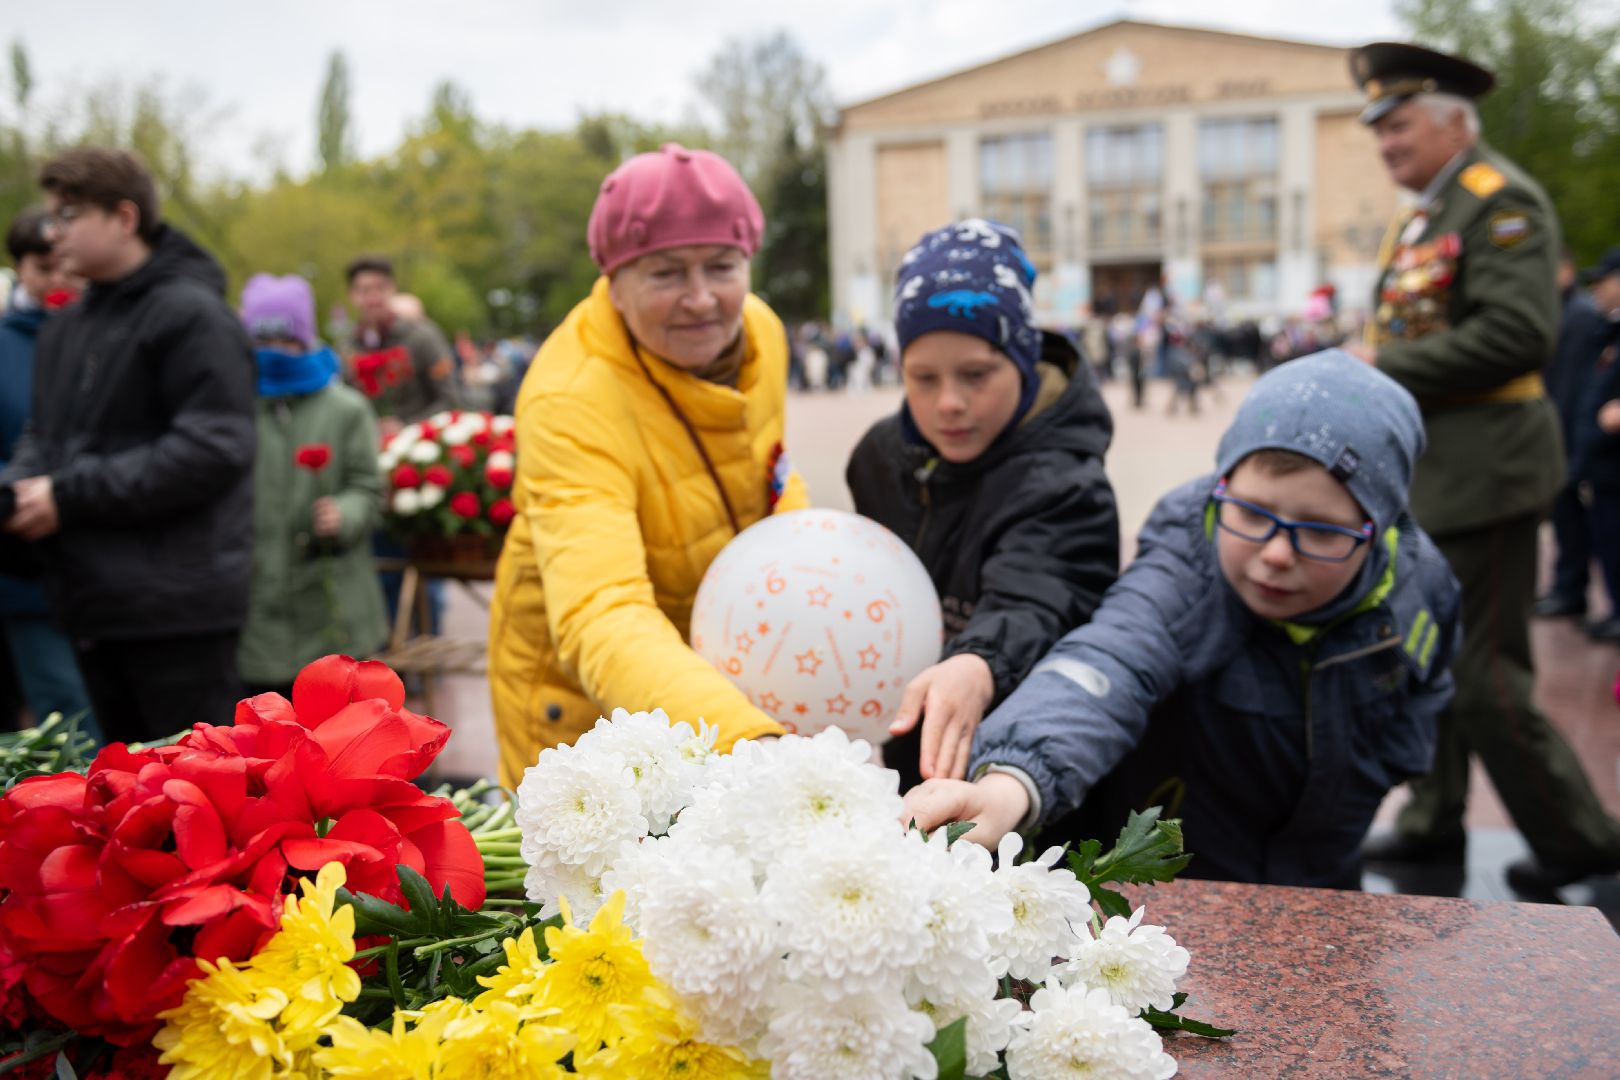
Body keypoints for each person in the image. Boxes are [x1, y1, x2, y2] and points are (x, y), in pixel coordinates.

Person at [901, 351, 1462, 890]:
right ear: (1222, 489)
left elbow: (1430, 684)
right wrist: (1009, 786)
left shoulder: (1422, 583)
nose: (1275, 554)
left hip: (1329, 872)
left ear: (1379, 529)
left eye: (1320, 530)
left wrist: (1391, 765)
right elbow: (1106, 663)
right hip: (1194, 882)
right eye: (1250, 513)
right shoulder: (1187, 568)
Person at [1342, 42, 1620, 896]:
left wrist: (1378, 363)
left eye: (1400, 125)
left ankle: (1583, 843)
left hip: (1490, 473)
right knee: (1427, 656)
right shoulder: (1429, 213)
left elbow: (1516, 334)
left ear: (1455, 122)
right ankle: (1432, 821)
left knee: (1487, 677)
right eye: (1379, 129)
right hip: (1440, 476)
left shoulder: (1502, 205)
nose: (1386, 143)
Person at [487, 143, 809, 787]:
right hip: (585, 712)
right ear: (615, 281)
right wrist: (746, 739)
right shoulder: (570, 396)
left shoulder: (762, 333)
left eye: (722, 267)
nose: (700, 299)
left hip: (711, 685)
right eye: (665, 274)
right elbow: (602, 609)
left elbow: (771, 477)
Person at [846, 220, 1119, 788]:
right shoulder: (878, 456)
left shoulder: (1066, 484)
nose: (949, 402)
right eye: (923, 378)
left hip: (1011, 768)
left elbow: (1039, 597)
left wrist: (979, 663)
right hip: (900, 752)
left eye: (976, 375)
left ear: (1020, 359)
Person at [0, 148, 255, 743]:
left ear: (124, 217)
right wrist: (21, 490)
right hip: (95, 599)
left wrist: (67, 495)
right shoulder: (69, 324)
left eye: (68, 215)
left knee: (193, 794)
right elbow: (46, 433)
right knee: (124, 796)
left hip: (177, 608)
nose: (53, 231)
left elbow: (213, 448)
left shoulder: (192, 316)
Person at [236, 274, 389, 699]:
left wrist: (347, 511)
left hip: (333, 605)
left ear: (304, 338)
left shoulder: (345, 409)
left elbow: (369, 488)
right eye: (262, 341)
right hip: (258, 606)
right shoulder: (236, 407)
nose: (274, 352)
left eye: (285, 340)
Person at [0, 207, 97, 739]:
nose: (58, 280)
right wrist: (21, 493)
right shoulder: (5, 344)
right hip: (28, 561)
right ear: (21, 269)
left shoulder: (107, 338)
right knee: (66, 714)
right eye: (43, 267)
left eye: (67, 266)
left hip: (109, 559)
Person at [1537, 248, 1614, 622]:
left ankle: (1575, 591)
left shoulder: (1580, 314)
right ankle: (1570, 590)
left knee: (1589, 523)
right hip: (1570, 430)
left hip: (1573, 433)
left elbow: (1572, 384)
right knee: (1573, 520)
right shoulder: (1571, 312)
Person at [343, 256, 459, 435]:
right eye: (365, 290)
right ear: (352, 295)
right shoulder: (347, 347)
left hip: (417, 449)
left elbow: (450, 399)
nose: (374, 298)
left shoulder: (422, 336)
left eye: (380, 288)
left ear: (392, 289)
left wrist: (407, 426)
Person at [1568, 248, 1620, 642]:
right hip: (1602, 463)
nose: (1597, 289)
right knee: (1607, 541)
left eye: (1604, 280)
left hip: (1614, 462)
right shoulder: (1607, 327)